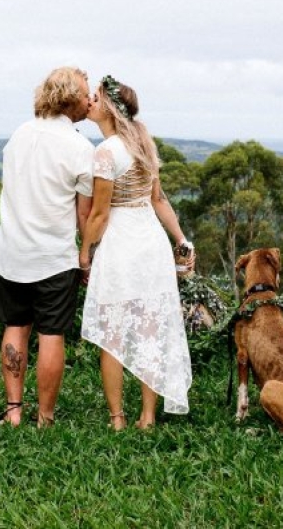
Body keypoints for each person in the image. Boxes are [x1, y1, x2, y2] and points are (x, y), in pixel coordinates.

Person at [79, 75, 194, 430]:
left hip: (121, 244)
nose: (89, 102)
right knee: (150, 329)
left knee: (112, 333)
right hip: (152, 244)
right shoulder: (144, 142)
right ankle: (147, 416)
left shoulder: (106, 152)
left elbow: (98, 214)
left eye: (95, 98)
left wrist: (84, 251)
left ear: (110, 108)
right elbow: (158, 200)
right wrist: (180, 239)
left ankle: (117, 418)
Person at [0, 67, 94, 428]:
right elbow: (84, 215)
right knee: (52, 334)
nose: (89, 100)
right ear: (69, 98)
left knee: (15, 326)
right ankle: (45, 417)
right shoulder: (81, 148)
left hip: (13, 252)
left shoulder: (18, 135)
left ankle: (13, 410)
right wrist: (88, 258)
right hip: (53, 256)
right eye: (85, 93)